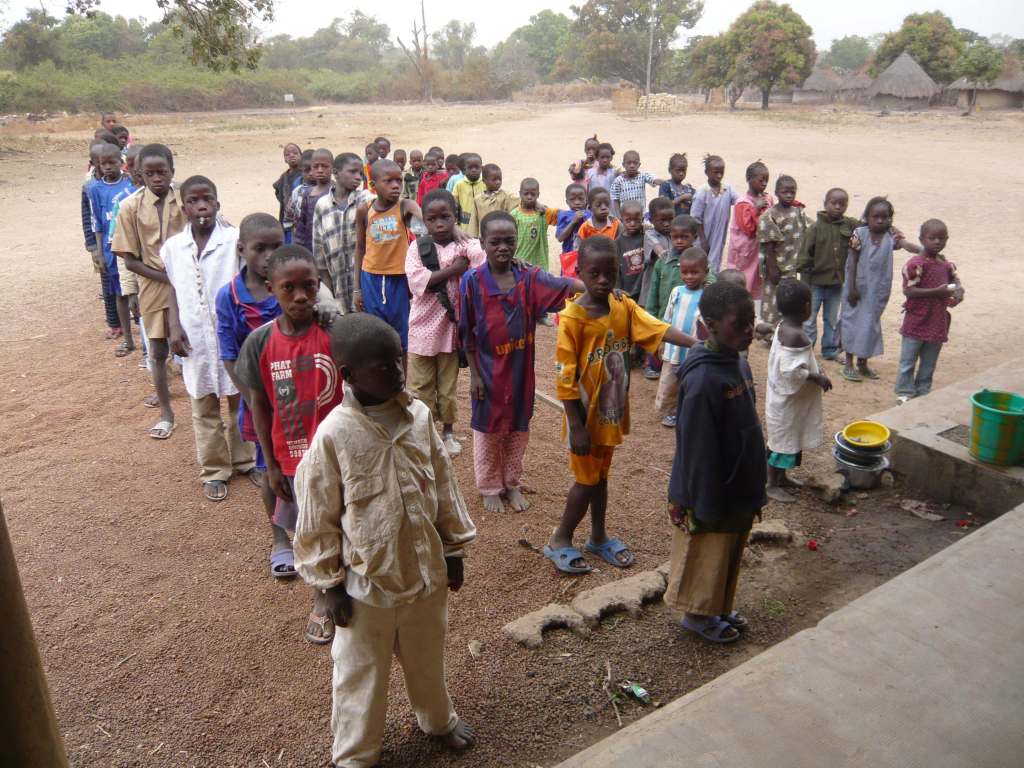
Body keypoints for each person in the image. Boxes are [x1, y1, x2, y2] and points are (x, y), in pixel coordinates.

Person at [293, 312, 478, 768]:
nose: (397, 372)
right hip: (365, 586)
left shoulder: (418, 416)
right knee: (359, 673)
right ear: (348, 375)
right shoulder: (334, 435)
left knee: (427, 656)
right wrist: (328, 586)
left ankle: (437, 720)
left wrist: (452, 550)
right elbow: (317, 515)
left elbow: (442, 484)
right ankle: (355, 755)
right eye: (383, 366)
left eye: (398, 360)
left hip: (422, 572)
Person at [547, 236, 694, 574]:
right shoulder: (572, 319)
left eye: (609, 274)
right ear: (579, 272)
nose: (602, 281)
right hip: (584, 419)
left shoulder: (622, 307)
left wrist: (695, 344)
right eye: (594, 274)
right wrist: (577, 426)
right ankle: (560, 538)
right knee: (585, 481)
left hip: (610, 414)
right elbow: (565, 378)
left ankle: (598, 536)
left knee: (600, 477)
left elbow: (656, 327)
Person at [236, 245, 345, 644]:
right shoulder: (260, 343)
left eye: (309, 286)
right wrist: (271, 463)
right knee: (309, 530)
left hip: (339, 454)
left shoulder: (334, 332)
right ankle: (322, 597)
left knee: (345, 522)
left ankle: (350, 587)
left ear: (319, 286)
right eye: (289, 288)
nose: (300, 296)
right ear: (271, 289)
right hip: (293, 458)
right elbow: (259, 407)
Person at [663, 280, 765, 644]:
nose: (749, 330)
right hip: (706, 491)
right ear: (708, 325)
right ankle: (698, 614)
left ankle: (717, 605)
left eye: (752, 321)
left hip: (737, 484)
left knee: (728, 549)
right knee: (705, 555)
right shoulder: (704, 379)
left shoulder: (737, 363)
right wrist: (703, 502)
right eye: (740, 324)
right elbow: (696, 450)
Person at [460, 211, 581, 513]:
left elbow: (560, 283)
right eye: (495, 241)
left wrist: (597, 287)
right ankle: (488, 486)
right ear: (483, 244)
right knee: (488, 430)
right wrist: (474, 375)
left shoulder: (527, 277)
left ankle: (511, 482)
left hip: (519, 372)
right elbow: (466, 332)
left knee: (518, 428)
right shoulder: (472, 281)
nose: (503, 247)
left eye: (509, 241)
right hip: (487, 373)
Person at [163, 176, 255, 501]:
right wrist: (173, 327)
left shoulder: (233, 241)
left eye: (208, 199)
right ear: (184, 206)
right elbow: (173, 288)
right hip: (195, 339)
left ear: (218, 203)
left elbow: (249, 281)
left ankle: (245, 460)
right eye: (194, 200)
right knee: (203, 407)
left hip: (231, 335)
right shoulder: (174, 247)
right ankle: (215, 469)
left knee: (239, 400)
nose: (202, 206)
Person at [215, 213, 294, 576]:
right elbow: (230, 354)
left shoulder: (292, 286)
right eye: (260, 248)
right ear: (242, 249)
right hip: (260, 400)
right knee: (268, 469)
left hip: (301, 395)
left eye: (276, 247)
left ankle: (319, 530)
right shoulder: (229, 297)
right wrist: (254, 398)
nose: (268, 256)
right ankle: (280, 538)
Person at [111, 143, 187, 439]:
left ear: (172, 171)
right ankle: (167, 413)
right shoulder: (130, 207)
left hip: (189, 284)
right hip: (154, 285)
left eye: (162, 172)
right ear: (139, 174)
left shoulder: (185, 199)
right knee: (157, 349)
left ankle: (204, 402)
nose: (157, 178)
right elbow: (130, 260)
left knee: (196, 342)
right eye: (150, 173)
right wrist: (166, 280)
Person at [406, 189, 486, 458]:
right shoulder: (417, 248)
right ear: (424, 221)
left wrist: (463, 236)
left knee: (448, 388)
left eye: (446, 217)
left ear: (455, 217)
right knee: (420, 387)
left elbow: (480, 257)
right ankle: (424, 433)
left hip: (451, 332)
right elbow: (421, 282)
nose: (439, 224)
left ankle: (448, 432)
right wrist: (455, 270)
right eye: (432, 219)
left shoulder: (462, 244)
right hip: (421, 330)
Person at [765, 280, 832, 503]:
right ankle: (771, 484)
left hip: (784, 401)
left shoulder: (783, 326)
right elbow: (792, 372)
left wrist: (815, 368)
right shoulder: (796, 336)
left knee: (786, 439)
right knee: (782, 444)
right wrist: (817, 377)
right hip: (787, 403)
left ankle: (781, 478)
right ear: (806, 307)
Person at [840, 198, 917, 382]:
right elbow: (851, 263)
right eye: (876, 217)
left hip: (878, 290)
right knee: (852, 322)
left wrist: (925, 251)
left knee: (870, 325)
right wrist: (851, 288)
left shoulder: (891, 235)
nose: (881, 221)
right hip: (857, 288)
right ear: (867, 217)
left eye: (885, 217)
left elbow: (906, 245)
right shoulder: (859, 234)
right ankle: (849, 363)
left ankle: (863, 362)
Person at [355, 159, 424, 355]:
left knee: (401, 334)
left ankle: (400, 381)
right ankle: (381, 379)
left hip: (398, 277)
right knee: (376, 332)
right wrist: (356, 289)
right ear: (373, 185)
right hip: (371, 278)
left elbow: (425, 216)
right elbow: (359, 249)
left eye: (399, 181)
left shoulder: (405, 206)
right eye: (389, 181)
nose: (396, 186)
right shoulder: (365, 210)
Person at [895, 219, 963, 404]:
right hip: (916, 320)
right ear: (922, 239)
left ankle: (923, 392)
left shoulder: (946, 265)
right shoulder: (916, 264)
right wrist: (937, 292)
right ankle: (905, 393)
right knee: (908, 361)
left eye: (942, 238)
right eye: (932, 238)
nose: (937, 242)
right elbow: (908, 290)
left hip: (937, 321)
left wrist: (958, 292)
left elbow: (956, 283)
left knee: (929, 363)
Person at [796, 188, 859, 361]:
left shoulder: (850, 225)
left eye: (842, 203)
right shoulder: (815, 228)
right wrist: (806, 283)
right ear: (825, 204)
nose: (838, 207)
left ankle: (830, 350)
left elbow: (867, 226)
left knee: (831, 320)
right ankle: (806, 352)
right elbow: (804, 257)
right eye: (834, 203)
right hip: (814, 284)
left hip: (836, 284)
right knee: (809, 320)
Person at [88, 141, 136, 357]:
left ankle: (148, 340)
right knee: (120, 294)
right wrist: (99, 252)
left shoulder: (131, 186)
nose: (107, 167)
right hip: (111, 249)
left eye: (111, 162)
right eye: (103, 163)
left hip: (133, 247)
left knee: (138, 292)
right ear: (97, 165)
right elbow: (97, 223)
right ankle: (128, 338)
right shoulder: (95, 189)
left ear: (121, 162)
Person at [313, 152, 375, 313]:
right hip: (338, 292)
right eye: (352, 172)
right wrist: (330, 298)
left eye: (360, 173)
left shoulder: (368, 200)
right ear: (336, 173)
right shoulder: (322, 206)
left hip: (366, 289)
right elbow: (320, 258)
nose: (358, 177)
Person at [655, 247, 708, 428]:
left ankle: (686, 412)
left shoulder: (707, 296)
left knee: (691, 382)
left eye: (695, 272)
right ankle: (670, 411)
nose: (689, 276)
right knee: (670, 382)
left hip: (694, 351)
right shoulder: (677, 291)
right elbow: (667, 317)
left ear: (705, 273)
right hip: (674, 349)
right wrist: (662, 340)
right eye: (685, 272)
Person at [758, 175, 809, 328]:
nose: (788, 195)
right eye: (784, 192)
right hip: (776, 267)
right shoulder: (769, 216)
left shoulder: (798, 213)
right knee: (772, 300)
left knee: (789, 300)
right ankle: (769, 332)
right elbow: (768, 245)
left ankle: (785, 329)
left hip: (792, 267)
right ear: (776, 192)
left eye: (792, 192)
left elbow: (810, 229)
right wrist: (772, 268)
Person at [726, 161, 773, 300]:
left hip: (758, 252)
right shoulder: (742, 203)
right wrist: (756, 209)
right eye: (761, 180)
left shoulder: (767, 198)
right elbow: (748, 229)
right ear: (749, 179)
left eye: (766, 180)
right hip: (743, 253)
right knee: (742, 281)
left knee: (757, 282)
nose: (764, 183)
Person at [691, 154, 739, 274]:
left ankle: (711, 287)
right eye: (716, 172)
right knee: (700, 263)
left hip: (719, 234)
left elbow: (740, 202)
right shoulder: (702, 193)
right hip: (704, 236)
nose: (719, 175)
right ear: (706, 172)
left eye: (721, 172)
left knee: (715, 262)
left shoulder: (727, 189)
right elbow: (695, 218)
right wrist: (703, 239)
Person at [511, 178, 559, 271]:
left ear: (538, 194)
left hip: (540, 262)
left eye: (533, 194)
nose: (529, 197)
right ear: (520, 193)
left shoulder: (543, 213)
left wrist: (546, 210)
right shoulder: (514, 214)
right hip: (520, 260)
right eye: (526, 194)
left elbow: (560, 218)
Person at [293, 148, 333, 251]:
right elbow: (301, 227)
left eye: (324, 166)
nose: (320, 170)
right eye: (315, 167)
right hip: (310, 248)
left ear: (333, 168)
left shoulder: (337, 192)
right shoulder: (306, 194)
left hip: (332, 247)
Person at [609, 150, 661, 218]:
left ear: (639, 165)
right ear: (623, 165)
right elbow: (615, 200)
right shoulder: (618, 181)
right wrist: (619, 217)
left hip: (640, 215)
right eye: (629, 163)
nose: (632, 166)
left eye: (635, 163)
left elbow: (653, 180)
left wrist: (661, 182)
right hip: (625, 216)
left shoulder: (643, 176)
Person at [468, 163, 518, 236]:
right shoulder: (478, 199)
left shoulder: (505, 196)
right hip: (484, 235)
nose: (498, 182)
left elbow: (519, 203)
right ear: (484, 181)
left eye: (499, 179)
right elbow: (473, 222)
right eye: (494, 180)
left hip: (502, 234)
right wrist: (473, 237)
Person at [616, 200, 646, 302]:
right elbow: (616, 268)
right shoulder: (618, 242)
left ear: (642, 219)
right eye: (628, 220)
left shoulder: (646, 237)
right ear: (621, 220)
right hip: (626, 289)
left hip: (643, 287)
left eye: (637, 220)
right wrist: (617, 288)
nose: (632, 224)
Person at [273, 143, 303, 243]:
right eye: (287, 154)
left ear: (301, 155)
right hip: (285, 217)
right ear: (285, 159)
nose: (291, 155)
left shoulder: (304, 176)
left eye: (295, 153)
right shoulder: (284, 177)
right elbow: (278, 191)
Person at [284, 149, 314, 244]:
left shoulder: (331, 190)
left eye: (314, 169)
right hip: (301, 240)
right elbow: (288, 219)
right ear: (301, 170)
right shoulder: (297, 191)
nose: (311, 173)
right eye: (307, 170)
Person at [450, 153, 485, 235]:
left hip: (483, 219)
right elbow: (454, 204)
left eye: (476, 167)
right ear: (464, 170)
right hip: (466, 220)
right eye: (470, 168)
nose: (473, 170)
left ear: (481, 168)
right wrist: (455, 223)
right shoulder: (459, 185)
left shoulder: (485, 183)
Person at [555, 183, 590, 256]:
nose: (577, 202)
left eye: (580, 199)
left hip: (588, 256)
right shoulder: (563, 215)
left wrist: (586, 220)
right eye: (572, 199)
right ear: (567, 202)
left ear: (586, 200)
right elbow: (560, 238)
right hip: (569, 256)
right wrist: (573, 222)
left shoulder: (591, 214)